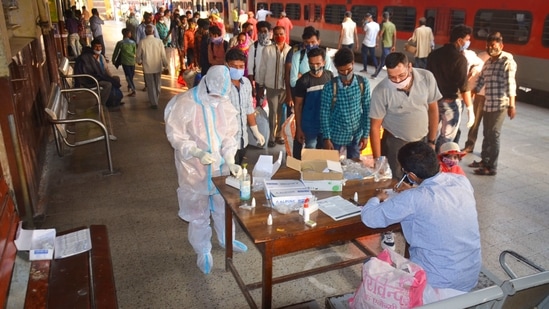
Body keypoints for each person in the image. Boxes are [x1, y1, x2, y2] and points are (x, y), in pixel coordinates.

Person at [361, 141, 481, 303]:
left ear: (410, 175)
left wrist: (376, 197)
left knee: (370, 263)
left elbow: (370, 218)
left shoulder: (413, 198)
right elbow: (437, 199)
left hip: (436, 287)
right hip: (469, 278)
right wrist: (414, 190)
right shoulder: (461, 181)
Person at [164, 65, 246, 274]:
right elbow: (176, 135)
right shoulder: (186, 103)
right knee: (198, 211)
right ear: (206, 83)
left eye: (221, 96)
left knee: (222, 206)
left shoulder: (224, 102)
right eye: (215, 95)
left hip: (219, 167)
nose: (217, 99)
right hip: (194, 167)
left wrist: (230, 159)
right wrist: (196, 152)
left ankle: (228, 239)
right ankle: (203, 250)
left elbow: (229, 135)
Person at [369, 52, 441, 179]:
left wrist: (431, 141)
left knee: (421, 178)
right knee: (395, 180)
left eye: (401, 75)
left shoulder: (426, 77)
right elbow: (375, 127)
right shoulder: (381, 91)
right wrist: (378, 160)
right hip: (395, 142)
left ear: (409, 67)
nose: (397, 81)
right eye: (392, 77)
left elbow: (433, 110)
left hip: (421, 140)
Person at [469, 32, 517, 176]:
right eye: (488, 46)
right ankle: (485, 160)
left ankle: (492, 167)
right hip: (488, 103)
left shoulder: (506, 61)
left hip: (501, 104)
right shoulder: (489, 62)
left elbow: (510, 83)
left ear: (501, 46)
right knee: (487, 133)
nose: (490, 48)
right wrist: (473, 92)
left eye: (494, 46)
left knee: (494, 134)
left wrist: (511, 105)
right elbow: (482, 79)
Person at [427, 24, 475, 151]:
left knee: (431, 133)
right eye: (467, 40)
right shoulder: (460, 59)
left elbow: (427, 78)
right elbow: (464, 86)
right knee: (447, 137)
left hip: (433, 101)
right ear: (459, 40)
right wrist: (470, 108)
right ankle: (440, 161)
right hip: (450, 103)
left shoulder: (434, 55)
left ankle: (430, 157)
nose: (468, 42)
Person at [320, 47, 371, 159]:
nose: (346, 73)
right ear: (337, 68)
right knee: (332, 167)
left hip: (356, 136)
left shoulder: (363, 83)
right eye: (342, 71)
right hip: (335, 137)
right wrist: (327, 138)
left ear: (353, 63)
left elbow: (367, 109)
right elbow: (324, 114)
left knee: (354, 168)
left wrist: (365, 134)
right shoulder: (329, 87)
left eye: (349, 69)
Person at [225, 49, 265, 164]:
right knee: (228, 173)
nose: (237, 69)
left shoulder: (246, 83)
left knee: (238, 170)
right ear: (227, 65)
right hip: (227, 141)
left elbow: (248, 109)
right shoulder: (222, 84)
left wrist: (256, 131)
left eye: (241, 66)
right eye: (234, 66)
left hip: (243, 139)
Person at [294, 48, 333, 157]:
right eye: (311, 64)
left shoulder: (329, 77)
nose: (315, 67)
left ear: (324, 62)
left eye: (318, 63)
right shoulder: (302, 82)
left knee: (325, 157)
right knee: (310, 157)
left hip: (326, 126)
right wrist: (299, 129)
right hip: (309, 126)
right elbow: (298, 106)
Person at [257, 26, 291, 148]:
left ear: (286, 34)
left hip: (284, 88)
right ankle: (271, 136)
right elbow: (262, 68)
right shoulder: (267, 50)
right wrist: (260, 85)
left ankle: (279, 135)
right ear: (273, 36)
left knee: (282, 112)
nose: (279, 36)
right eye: (276, 34)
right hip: (271, 86)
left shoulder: (290, 50)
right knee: (272, 112)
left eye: (281, 33)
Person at [74, 39, 123, 110]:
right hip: (91, 79)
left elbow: (106, 69)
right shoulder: (87, 57)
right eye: (96, 47)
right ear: (92, 47)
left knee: (116, 79)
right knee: (108, 84)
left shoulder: (101, 57)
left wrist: (111, 77)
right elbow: (88, 71)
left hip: (100, 76)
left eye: (100, 47)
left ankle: (114, 100)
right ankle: (101, 104)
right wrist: (105, 77)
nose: (98, 49)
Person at [462, 49, 490, 153]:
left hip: (491, 96)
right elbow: (474, 76)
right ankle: (470, 145)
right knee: (475, 123)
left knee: (489, 127)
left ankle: (486, 151)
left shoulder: (505, 58)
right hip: (479, 94)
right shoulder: (481, 55)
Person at [136, 24, 168, 109]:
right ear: (153, 32)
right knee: (157, 84)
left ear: (145, 32)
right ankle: (155, 98)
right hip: (157, 66)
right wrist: (166, 65)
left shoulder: (142, 42)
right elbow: (163, 55)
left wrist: (138, 61)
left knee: (150, 85)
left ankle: (154, 102)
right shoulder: (159, 41)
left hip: (147, 67)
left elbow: (138, 55)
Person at [247, 21, 272, 106]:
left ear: (269, 32)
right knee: (259, 106)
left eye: (265, 31)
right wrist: (252, 87)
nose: (263, 34)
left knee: (272, 107)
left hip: (272, 83)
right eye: (260, 32)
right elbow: (250, 68)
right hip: (258, 82)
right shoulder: (254, 47)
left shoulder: (274, 47)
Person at [112, 28, 137, 96]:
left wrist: (113, 60)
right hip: (132, 61)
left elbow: (116, 52)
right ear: (128, 34)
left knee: (128, 75)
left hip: (125, 62)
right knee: (131, 75)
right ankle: (133, 89)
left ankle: (130, 86)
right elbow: (135, 52)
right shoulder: (133, 43)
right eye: (130, 33)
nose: (130, 34)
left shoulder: (120, 43)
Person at [372, 12, 396, 79]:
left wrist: (377, 42)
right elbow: (394, 36)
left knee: (387, 60)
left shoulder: (384, 25)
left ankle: (393, 74)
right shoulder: (393, 25)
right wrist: (394, 45)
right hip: (390, 44)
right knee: (383, 60)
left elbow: (380, 34)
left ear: (383, 17)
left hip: (385, 44)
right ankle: (376, 74)